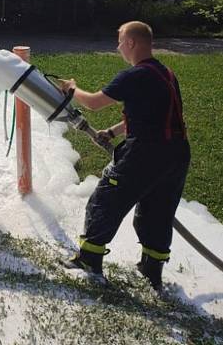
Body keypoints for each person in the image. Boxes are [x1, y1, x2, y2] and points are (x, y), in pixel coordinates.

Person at [58, 21, 191, 291]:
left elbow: (94, 102)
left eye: (119, 41)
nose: (118, 47)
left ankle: (88, 260)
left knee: (105, 199)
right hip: (176, 153)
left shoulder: (134, 75)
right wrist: (113, 131)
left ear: (131, 42)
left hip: (146, 152)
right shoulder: (165, 73)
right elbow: (154, 115)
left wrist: (72, 89)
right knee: (157, 211)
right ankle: (151, 270)